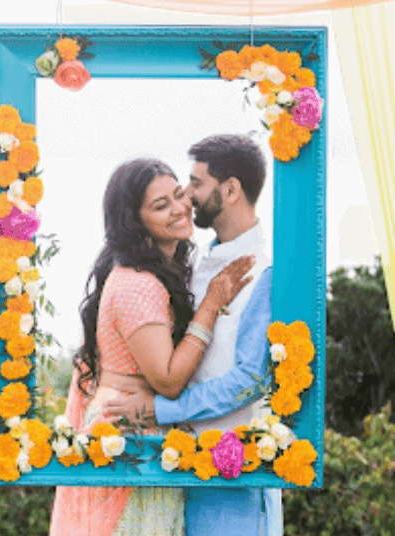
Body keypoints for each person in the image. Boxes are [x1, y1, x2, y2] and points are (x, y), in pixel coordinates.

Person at [48, 158, 255, 536]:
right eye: (161, 206)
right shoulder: (138, 284)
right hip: (127, 441)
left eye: (179, 196)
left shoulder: (158, 274)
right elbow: (168, 380)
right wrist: (210, 305)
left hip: (145, 436)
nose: (179, 209)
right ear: (134, 222)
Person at [103, 134, 282, 536]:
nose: (187, 196)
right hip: (179, 471)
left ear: (231, 190)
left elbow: (251, 380)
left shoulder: (264, 273)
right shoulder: (196, 261)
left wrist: (163, 409)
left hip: (233, 481)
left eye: (196, 184)